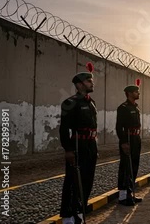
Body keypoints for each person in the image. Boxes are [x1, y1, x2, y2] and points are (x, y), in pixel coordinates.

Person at [59, 65, 98, 223]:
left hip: (90, 145)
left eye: (91, 80)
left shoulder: (91, 102)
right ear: (79, 84)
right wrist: (68, 150)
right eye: (88, 81)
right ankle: (68, 217)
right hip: (77, 146)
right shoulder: (70, 103)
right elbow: (63, 129)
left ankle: (80, 213)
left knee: (87, 180)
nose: (91, 83)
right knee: (72, 181)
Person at [116, 83, 143, 206]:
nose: (138, 93)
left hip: (136, 138)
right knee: (126, 167)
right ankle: (122, 196)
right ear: (129, 93)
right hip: (128, 139)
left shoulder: (136, 108)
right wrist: (123, 142)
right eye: (136, 91)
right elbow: (119, 127)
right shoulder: (123, 107)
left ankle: (131, 193)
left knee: (134, 165)